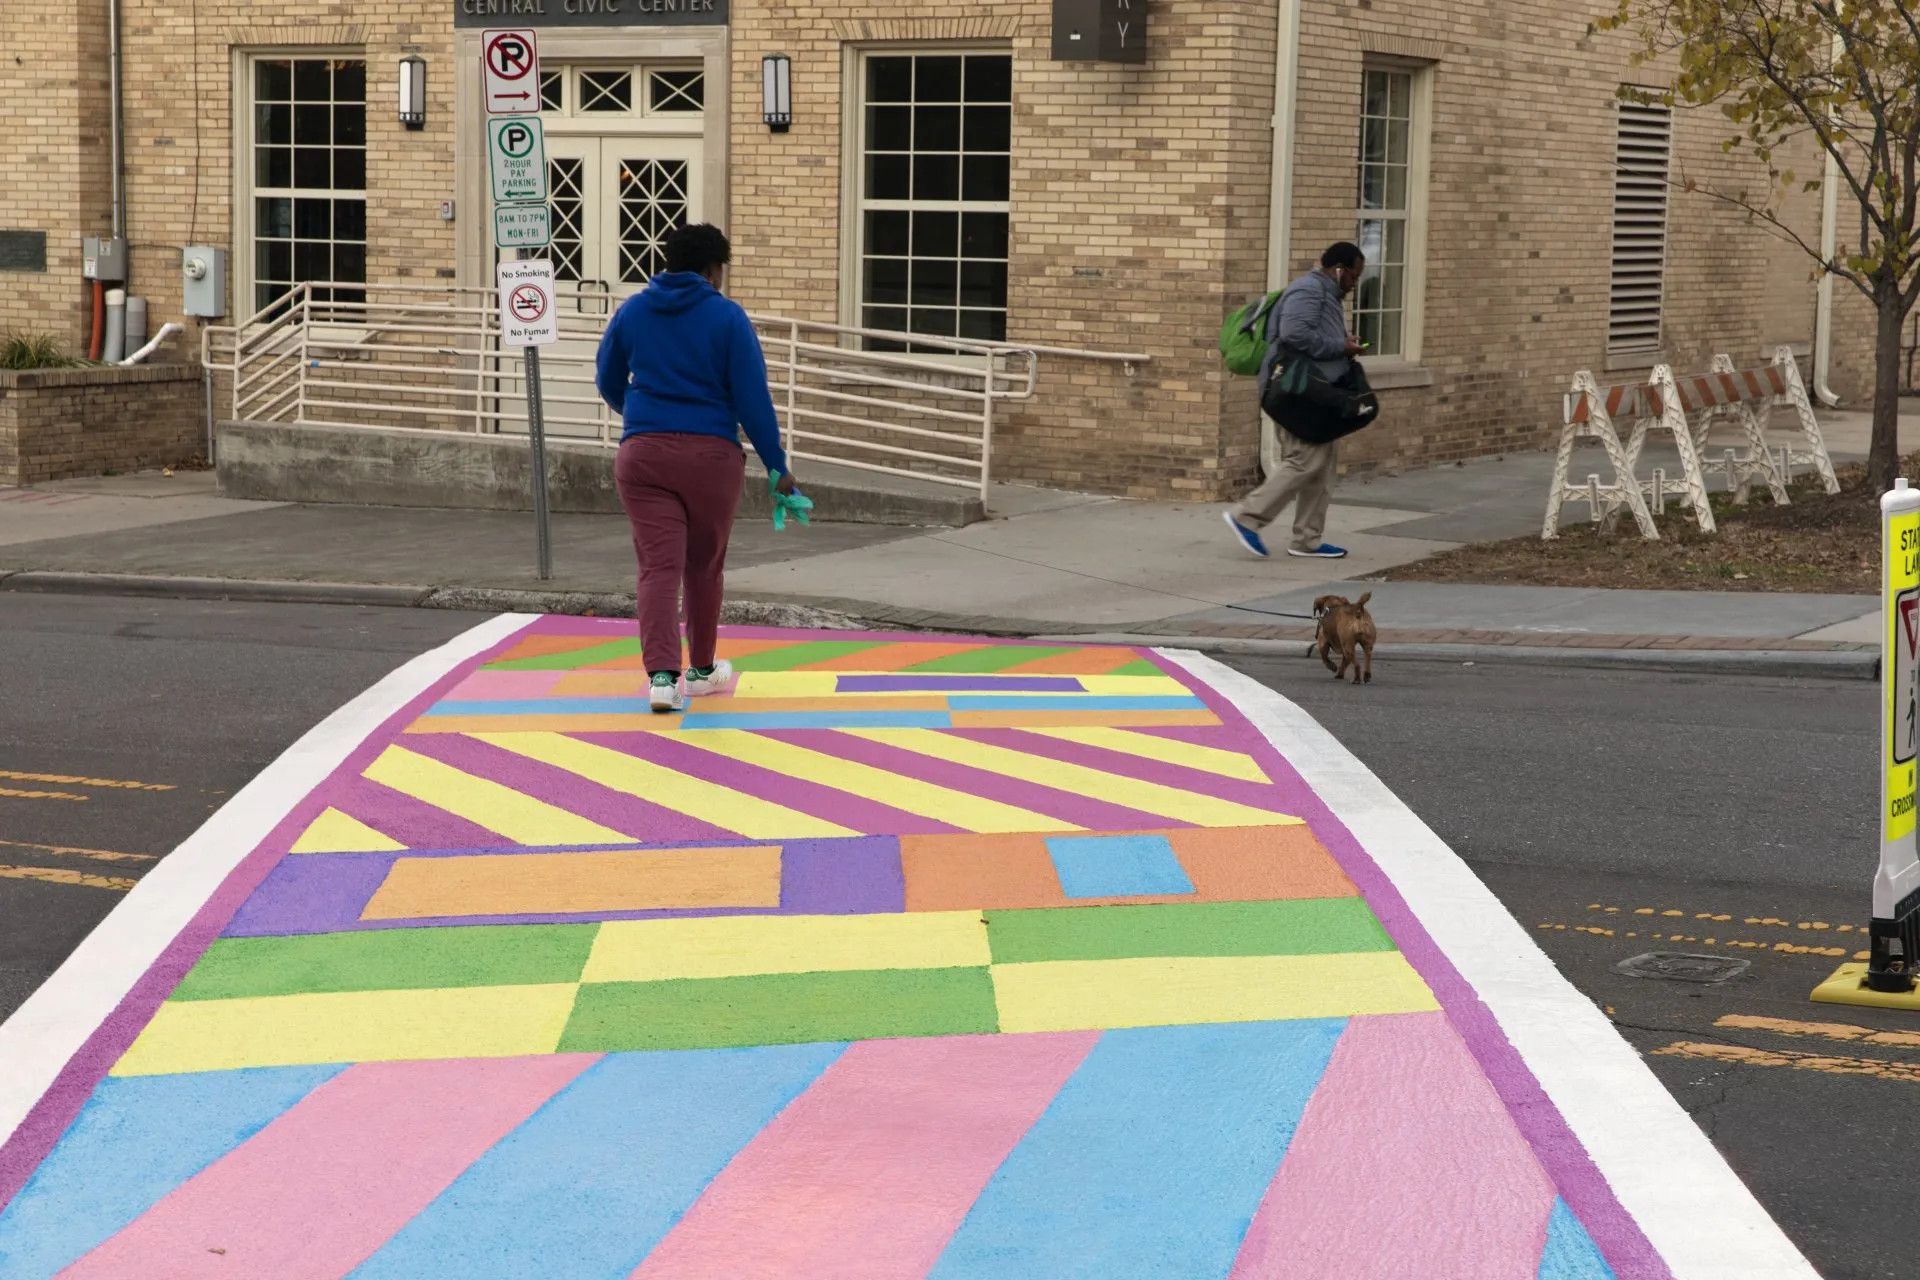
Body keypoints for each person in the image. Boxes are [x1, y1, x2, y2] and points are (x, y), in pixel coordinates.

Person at [595, 222, 798, 713]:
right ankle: (703, 671)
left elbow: (606, 377)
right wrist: (778, 466)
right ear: (713, 270)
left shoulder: (634, 310)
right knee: (703, 566)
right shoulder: (727, 318)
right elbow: (753, 401)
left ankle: (662, 679)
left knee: (658, 567)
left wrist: (644, 418)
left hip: (643, 457)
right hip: (711, 459)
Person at [1222, 241, 1367, 560]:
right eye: (1354, 276)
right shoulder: (1309, 291)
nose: (1355, 283)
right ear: (1339, 269)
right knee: (1305, 460)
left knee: (1322, 466)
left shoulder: (1326, 294)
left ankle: (1307, 540)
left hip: (1318, 392)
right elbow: (1294, 335)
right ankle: (1246, 517)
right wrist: (1340, 348)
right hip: (1297, 392)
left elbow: (1314, 336)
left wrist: (1343, 344)